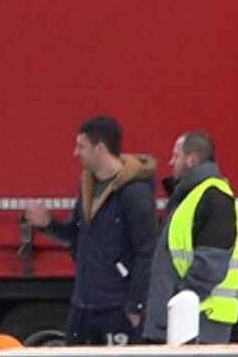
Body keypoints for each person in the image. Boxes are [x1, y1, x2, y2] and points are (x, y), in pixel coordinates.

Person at [24, 115, 159, 344]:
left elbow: (146, 252)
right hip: (84, 305)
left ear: (100, 148)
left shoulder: (134, 193)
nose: (75, 153)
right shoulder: (89, 186)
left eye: (81, 146)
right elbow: (75, 237)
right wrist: (48, 225)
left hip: (117, 307)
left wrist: (136, 307)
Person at [142, 130, 238, 344]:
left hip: (199, 320)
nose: (171, 162)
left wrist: (180, 301)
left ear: (191, 159)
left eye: (176, 155)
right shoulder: (191, 196)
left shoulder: (214, 196)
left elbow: (211, 264)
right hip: (189, 319)